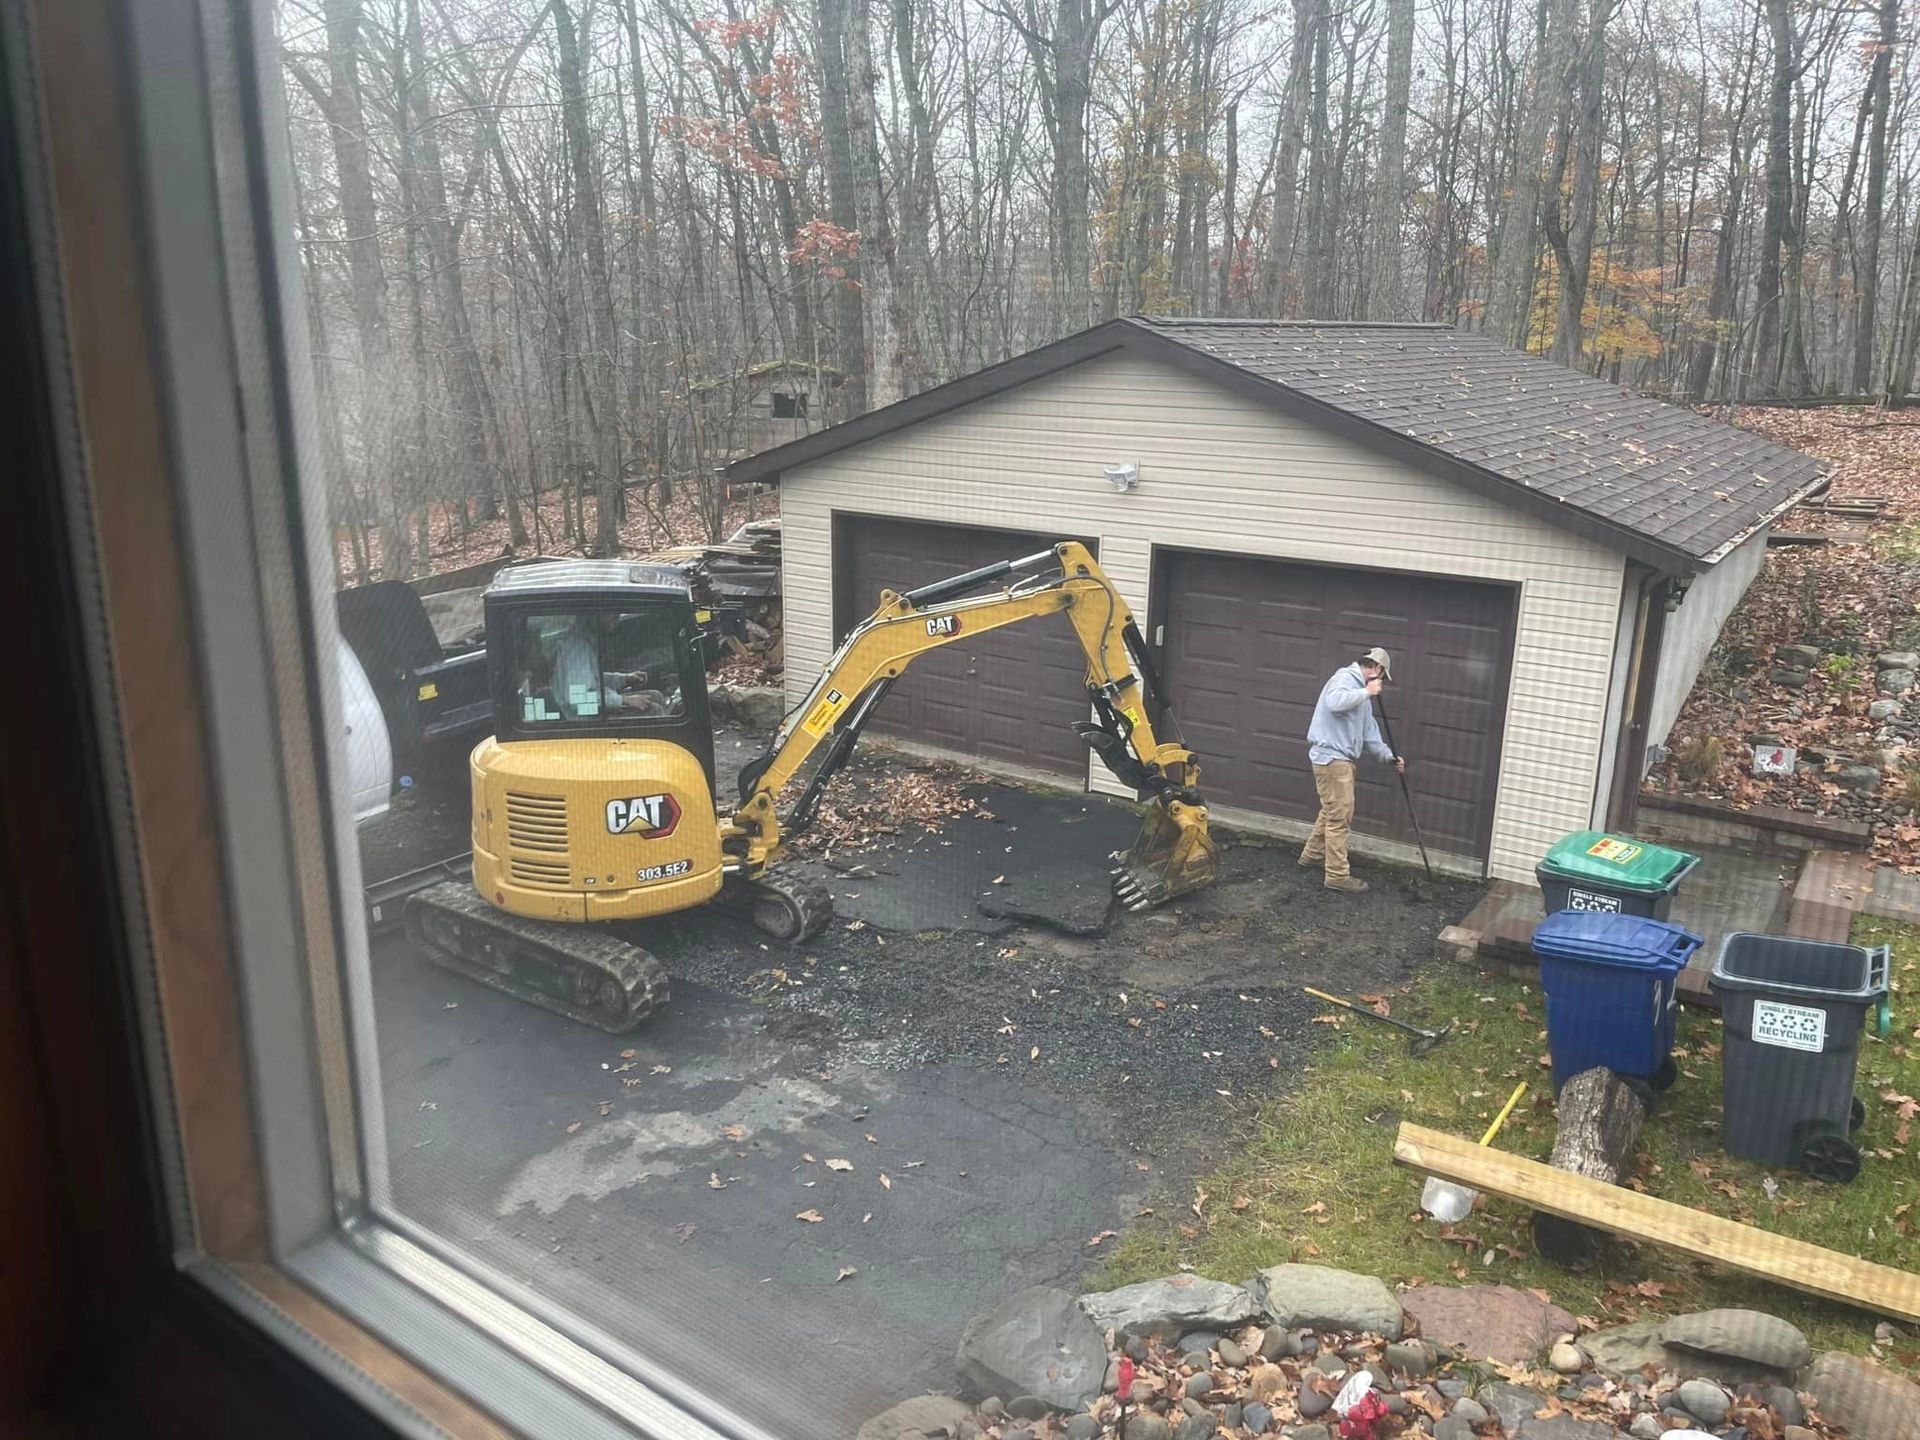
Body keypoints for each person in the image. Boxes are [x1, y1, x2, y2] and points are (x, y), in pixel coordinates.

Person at [1299, 646, 1405, 893]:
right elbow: (1334, 702)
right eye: (1382, 677)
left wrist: (1389, 756)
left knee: (1331, 810)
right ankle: (1337, 875)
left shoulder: (1362, 697)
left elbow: (1370, 734)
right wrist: (1366, 690)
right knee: (1340, 816)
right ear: (1376, 669)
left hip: (1341, 761)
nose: (1382, 683)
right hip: (1331, 759)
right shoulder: (1344, 678)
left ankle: (1312, 856)